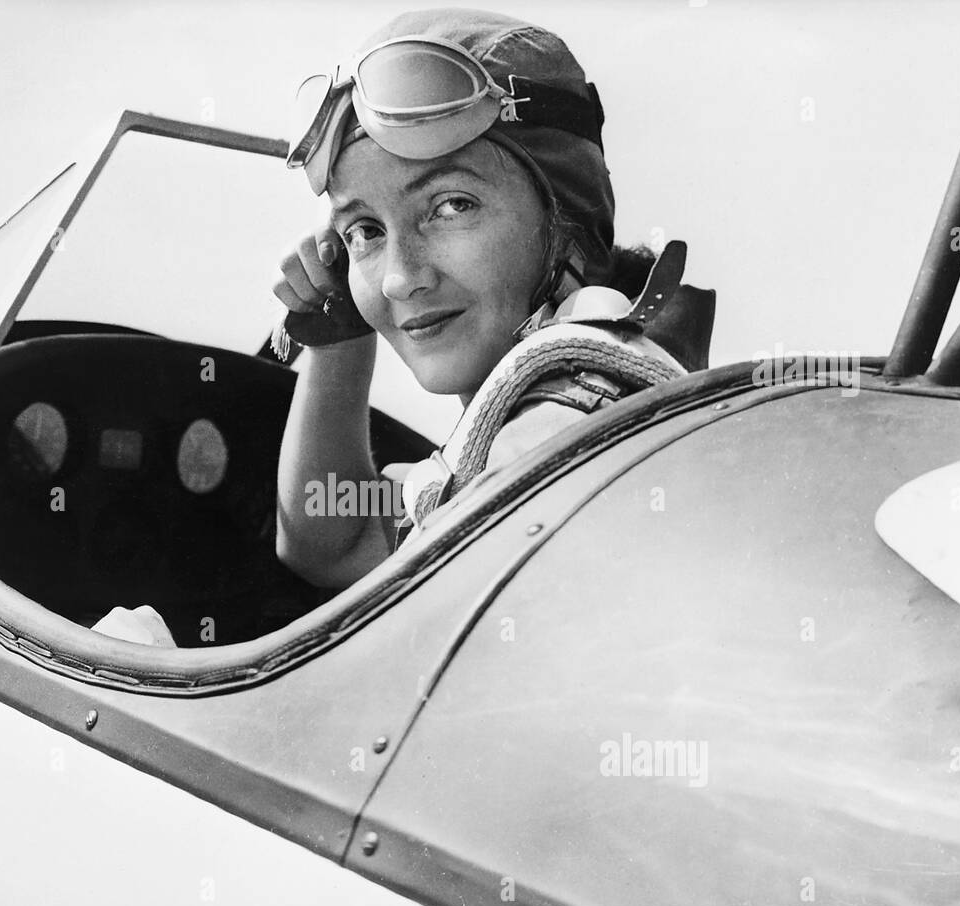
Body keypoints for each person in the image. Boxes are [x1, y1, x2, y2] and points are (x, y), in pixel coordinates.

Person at [274, 7, 715, 588]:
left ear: (565, 221)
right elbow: (334, 540)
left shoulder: (564, 436)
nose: (399, 280)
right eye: (365, 232)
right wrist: (341, 334)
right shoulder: (520, 432)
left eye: (451, 205)